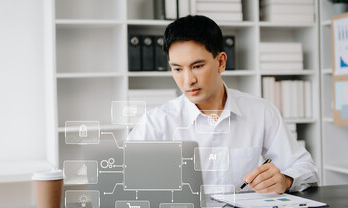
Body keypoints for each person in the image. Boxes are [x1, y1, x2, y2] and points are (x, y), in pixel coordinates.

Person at [127, 15, 318, 193]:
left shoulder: (260, 112)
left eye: (197, 66)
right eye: (177, 69)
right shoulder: (157, 121)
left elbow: (306, 168)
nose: (187, 81)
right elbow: (124, 176)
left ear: (221, 62)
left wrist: (285, 180)